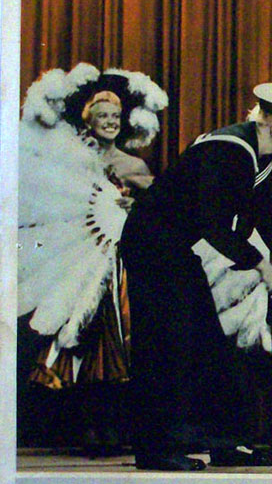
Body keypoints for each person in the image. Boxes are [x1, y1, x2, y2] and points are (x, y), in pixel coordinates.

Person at [119, 82, 272, 471]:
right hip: (150, 243)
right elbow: (211, 224)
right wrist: (263, 267)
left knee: (207, 341)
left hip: (175, 248)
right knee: (167, 343)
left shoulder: (264, 161)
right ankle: (155, 449)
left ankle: (223, 443)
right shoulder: (227, 150)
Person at [17, 66, 167, 453]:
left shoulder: (134, 166)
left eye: (116, 117)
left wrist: (135, 207)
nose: (110, 123)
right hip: (78, 263)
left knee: (118, 340)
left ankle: (114, 425)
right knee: (79, 338)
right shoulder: (72, 161)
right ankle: (82, 425)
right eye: (103, 117)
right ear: (90, 120)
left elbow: (159, 212)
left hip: (120, 266)